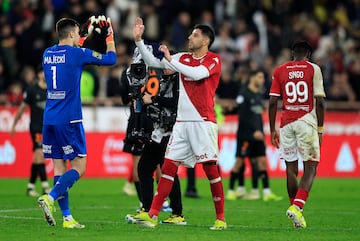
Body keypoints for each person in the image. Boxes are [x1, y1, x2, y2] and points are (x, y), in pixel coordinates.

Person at [132, 17, 226, 230]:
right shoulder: (183, 57)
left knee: (210, 170)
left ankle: (220, 218)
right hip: (182, 123)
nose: (189, 37)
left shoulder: (213, 60)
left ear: (206, 40)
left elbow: (197, 74)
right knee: (168, 167)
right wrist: (139, 41)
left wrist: (171, 60)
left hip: (203, 122)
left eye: (194, 35)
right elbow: (155, 63)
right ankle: (153, 214)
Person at [37, 16, 116, 228]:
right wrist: (109, 36)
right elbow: (110, 60)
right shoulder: (76, 54)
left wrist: (84, 33)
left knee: (59, 167)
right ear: (72, 34)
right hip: (69, 119)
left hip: (49, 118)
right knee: (80, 167)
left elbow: (70, 55)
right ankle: (50, 197)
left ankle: (67, 219)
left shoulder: (48, 53)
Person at [268, 41, 325, 228]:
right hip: (306, 121)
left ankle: (295, 213)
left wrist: (272, 129)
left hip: (286, 124)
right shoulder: (313, 69)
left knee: (290, 169)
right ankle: (297, 208)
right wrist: (320, 129)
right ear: (308, 54)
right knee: (311, 166)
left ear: (293, 53)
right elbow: (320, 102)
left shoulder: (280, 70)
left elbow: (272, 102)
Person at [125, 67, 186, 225]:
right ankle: (147, 209)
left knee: (168, 172)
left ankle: (177, 213)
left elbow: (177, 102)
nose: (164, 68)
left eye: (167, 65)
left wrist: (153, 99)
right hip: (158, 131)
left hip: (171, 132)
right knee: (144, 168)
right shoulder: (164, 80)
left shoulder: (181, 81)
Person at [226, 69, 282, 201]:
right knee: (239, 162)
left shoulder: (258, 95)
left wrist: (260, 131)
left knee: (262, 162)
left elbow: (257, 116)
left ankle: (267, 193)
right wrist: (253, 131)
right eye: (260, 77)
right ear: (252, 78)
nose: (262, 80)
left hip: (258, 135)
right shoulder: (244, 94)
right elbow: (243, 116)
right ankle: (231, 191)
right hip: (246, 135)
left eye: (263, 77)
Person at [10, 67, 51, 197]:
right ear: (39, 74)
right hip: (36, 127)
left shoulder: (51, 90)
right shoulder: (32, 90)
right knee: (40, 154)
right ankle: (45, 185)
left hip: (48, 128)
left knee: (37, 158)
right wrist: (14, 124)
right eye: (43, 71)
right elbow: (22, 108)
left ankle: (30, 186)